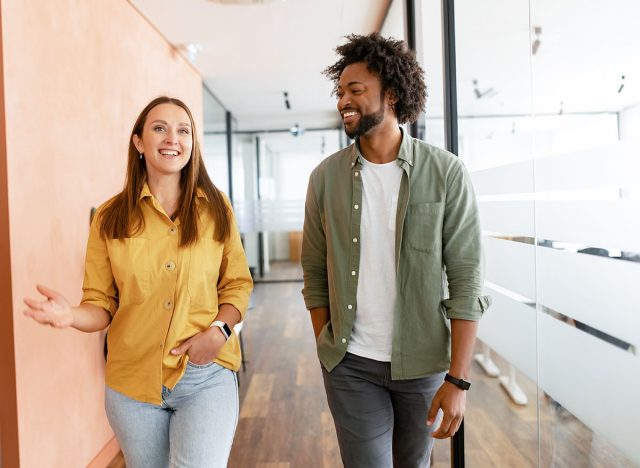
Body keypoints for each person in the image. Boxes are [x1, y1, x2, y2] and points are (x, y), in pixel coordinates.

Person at [24, 96, 253, 468]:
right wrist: (70, 315)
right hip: (131, 385)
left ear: (192, 143)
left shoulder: (215, 207)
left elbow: (237, 284)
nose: (172, 138)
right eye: (159, 128)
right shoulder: (111, 217)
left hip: (204, 376)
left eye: (183, 130)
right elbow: (100, 305)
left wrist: (219, 332)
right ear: (139, 142)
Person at [301, 34, 491, 467]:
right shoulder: (324, 179)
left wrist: (458, 380)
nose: (342, 101)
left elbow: (467, 277)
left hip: (422, 365)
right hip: (351, 363)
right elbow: (314, 271)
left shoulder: (446, 173)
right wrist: (327, 347)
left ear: (391, 94)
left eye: (355, 91)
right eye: (340, 92)